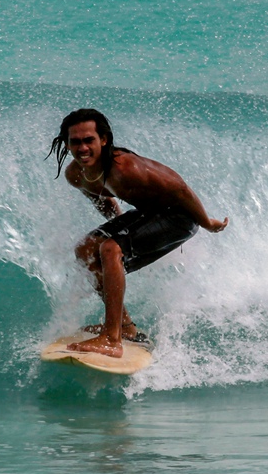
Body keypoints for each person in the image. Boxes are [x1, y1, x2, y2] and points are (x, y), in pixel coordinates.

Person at [47, 108, 229, 358]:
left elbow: (181, 189)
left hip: (179, 217)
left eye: (89, 140)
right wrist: (123, 229)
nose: (82, 148)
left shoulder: (125, 167)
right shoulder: (76, 175)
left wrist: (207, 223)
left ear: (104, 139)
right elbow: (103, 201)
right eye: (75, 142)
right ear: (67, 145)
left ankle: (111, 339)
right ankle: (125, 327)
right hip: (147, 214)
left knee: (110, 249)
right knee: (87, 249)